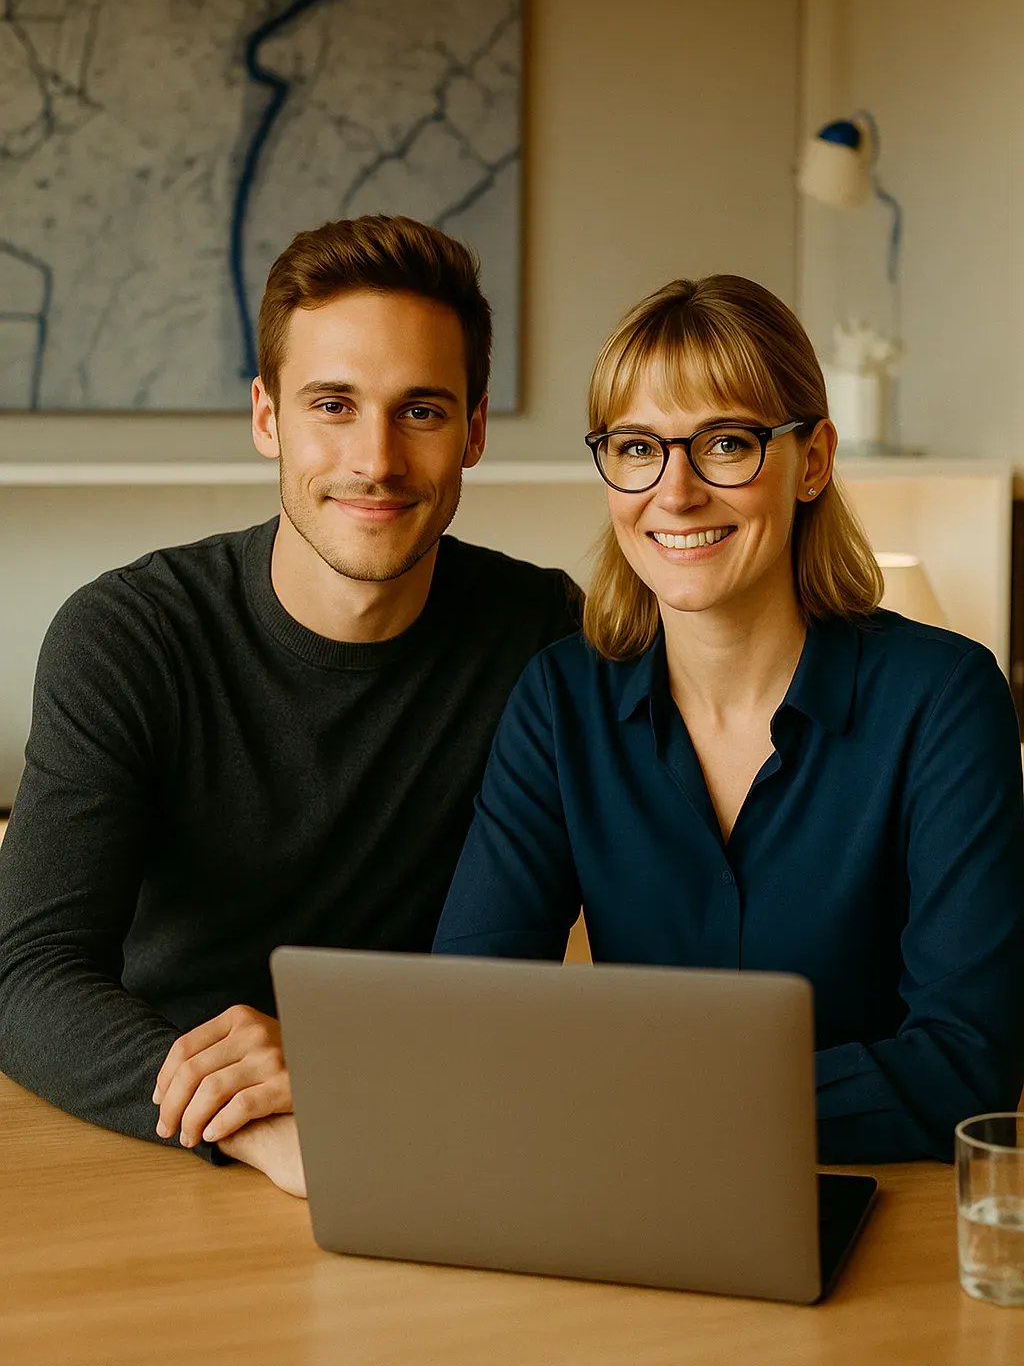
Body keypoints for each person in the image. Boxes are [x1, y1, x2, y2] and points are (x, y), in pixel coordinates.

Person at [0, 215, 579, 1196]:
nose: (377, 460)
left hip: (424, 1123)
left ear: (475, 429)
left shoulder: (542, 634)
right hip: (158, 1135)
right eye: (334, 405)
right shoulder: (129, 638)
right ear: (268, 417)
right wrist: (265, 1129)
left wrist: (331, 1080)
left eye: (422, 412)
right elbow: (29, 975)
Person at [435, 274, 1024, 1164]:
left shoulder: (943, 699)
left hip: (875, 1209)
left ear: (813, 461)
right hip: (634, 1198)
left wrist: (652, 1109)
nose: (674, 493)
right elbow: (473, 1015)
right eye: (637, 447)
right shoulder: (561, 702)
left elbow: (967, 1064)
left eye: (725, 443)